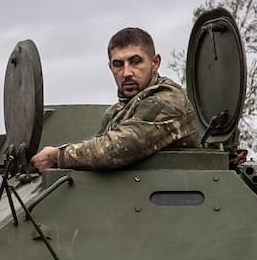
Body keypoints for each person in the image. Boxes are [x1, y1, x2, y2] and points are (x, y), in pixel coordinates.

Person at [30, 27, 200, 171]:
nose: (126, 73)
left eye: (135, 62)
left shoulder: (168, 100)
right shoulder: (116, 112)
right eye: (118, 64)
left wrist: (57, 156)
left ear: (155, 62)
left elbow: (119, 147)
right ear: (110, 66)